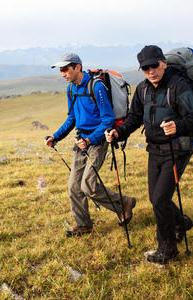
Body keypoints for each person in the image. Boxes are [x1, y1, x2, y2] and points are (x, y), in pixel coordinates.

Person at [105, 45, 193, 264]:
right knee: (156, 198)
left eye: (154, 65)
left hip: (177, 150)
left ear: (163, 63)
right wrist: (118, 132)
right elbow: (135, 117)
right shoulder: (142, 89)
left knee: (159, 199)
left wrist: (178, 125)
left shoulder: (179, 86)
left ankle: (167, 249)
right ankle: (181, 222)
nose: (150, 71)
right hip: (154, 150)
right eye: (145, 68)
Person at [45, 53, 136, 237]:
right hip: (81, 141)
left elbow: (108, 119)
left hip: (97, 141)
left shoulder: (97, 87)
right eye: (60, 70)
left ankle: (124, 202)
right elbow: (72, 117)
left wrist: (90, 140)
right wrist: (55, 137)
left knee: (88, 185)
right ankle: (84, 225)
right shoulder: (71, 89)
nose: (62, 73)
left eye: (65, 69)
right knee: (74, 187)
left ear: (77, 67)